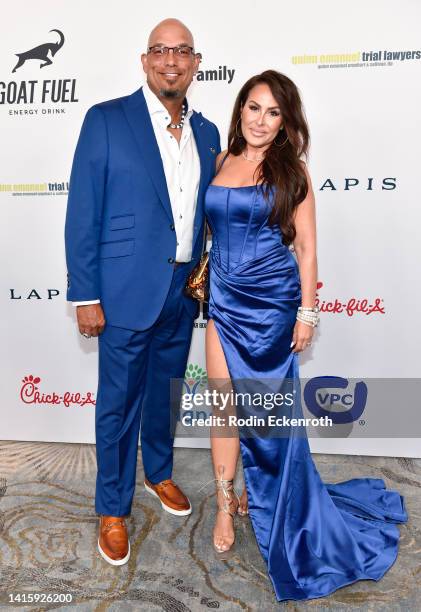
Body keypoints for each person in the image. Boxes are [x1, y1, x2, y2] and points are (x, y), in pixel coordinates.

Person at [203, 70, 408, 601]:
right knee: (223, 406)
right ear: (240, 110)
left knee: (267, 421)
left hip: (271, 307)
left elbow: (308, 250)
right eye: (253, 108)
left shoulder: (293, 173)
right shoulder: (222, 161)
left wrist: (307, 314)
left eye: (273, 112)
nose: (260, 120)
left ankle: (272, 494)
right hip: (224, 302)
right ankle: (227, 505)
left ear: (286, 121)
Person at [65, 18, 220, 566]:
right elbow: (83, 211)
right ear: (145, 59)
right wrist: (85, 294)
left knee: (164, 394)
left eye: (182, 52)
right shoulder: (107, 120)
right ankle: (112, 508)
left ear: (196, 62)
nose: (170, 61)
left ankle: (158, 472)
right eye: (160, 50)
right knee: (118, 402)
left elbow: (208, 215)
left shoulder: (207, 133)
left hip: (182, 289)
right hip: (125, 289)